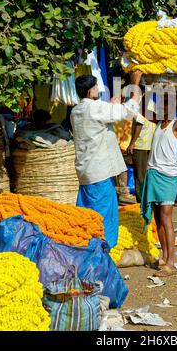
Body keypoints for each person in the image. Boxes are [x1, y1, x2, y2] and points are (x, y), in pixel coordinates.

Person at [70, 71, 142, 248]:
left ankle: (87, 247)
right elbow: (128, 111)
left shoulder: (76, 110)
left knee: (87, 212)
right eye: (95, 87)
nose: (98, 89)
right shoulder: (95, 108)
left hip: (86, 171)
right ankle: (102, 251)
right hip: (99, 172)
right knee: (104, 214)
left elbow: (99, 119)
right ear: (89, 91)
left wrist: (110, 106)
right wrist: (135, 86)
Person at [140, 92, 177, 277]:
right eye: (161, 105)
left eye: (167, 105)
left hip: (168, 176)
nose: (163, 108)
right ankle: (164, 256)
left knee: (167, 217)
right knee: (158, 219)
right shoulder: (159, 122)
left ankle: (171, 263)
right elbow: (143, 109)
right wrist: (145, 89)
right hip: (153, 174)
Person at [127, 100, 156, 201]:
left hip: (141, 146)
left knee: (140, 175)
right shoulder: (154, 108)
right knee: (144, 174)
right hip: (148, 146)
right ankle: (145, 198)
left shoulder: (142, 110)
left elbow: (139, 126)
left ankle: (141, 199)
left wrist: (132, 143)